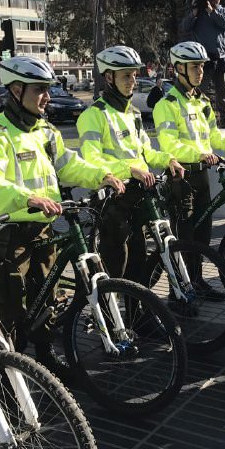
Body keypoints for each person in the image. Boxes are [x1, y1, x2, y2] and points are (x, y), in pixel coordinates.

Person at [0, 56, 123, 377]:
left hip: (43, 229)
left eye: (48, 89)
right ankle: (6, 374)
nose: (48, 97)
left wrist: (103, 175)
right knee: (10, 307)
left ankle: (45, 357)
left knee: (46, 299)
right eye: (40, 89)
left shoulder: (45, 131)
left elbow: (70, 164)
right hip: (8, 234)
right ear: (15, 90)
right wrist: (27, 198)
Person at [77, 46, 184, 283]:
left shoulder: (133, 113)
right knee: (117, 265)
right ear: (108, 77)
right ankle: (107, 316)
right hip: (113, 197)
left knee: (139, 262)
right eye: (126, 75)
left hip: (138, 194)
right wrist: (129, 170)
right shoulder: (93, 115)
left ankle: (139, 316)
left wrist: (168, 160)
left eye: (134, 75)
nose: (132, 81)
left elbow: (146, 151)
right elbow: (92, 158)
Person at [152, 42, 225, 297]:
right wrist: (199, 154)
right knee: (184, 237)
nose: (200, 71)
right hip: (181, 178)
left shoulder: (202, 102)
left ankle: (197, 281)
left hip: (202, 174)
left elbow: (214, 136)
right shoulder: (167, 104)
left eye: (202, 66)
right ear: (179, 69)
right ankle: (179, 291)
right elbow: (169, 144)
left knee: (203, 236)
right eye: (195, 66)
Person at [179, 0, 225, 129]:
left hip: (221, 57)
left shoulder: (224, 11)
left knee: (222, 90)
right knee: (199, 90)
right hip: (204, 60)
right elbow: (185, 27)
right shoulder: (198, 13)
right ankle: (194, 120)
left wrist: (212, 11)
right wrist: (194, 12)